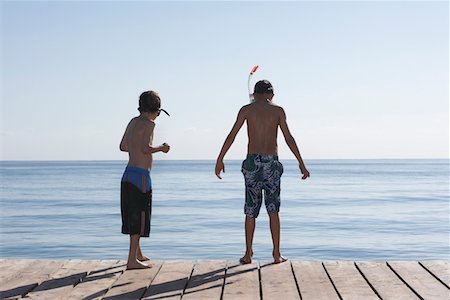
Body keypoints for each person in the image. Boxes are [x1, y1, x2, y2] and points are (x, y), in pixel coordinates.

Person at [215, 80, 310, 264]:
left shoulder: (246, 110)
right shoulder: (278, 111)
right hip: (271, 163)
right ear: (270, 94)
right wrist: (301, 163)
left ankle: (248, 254)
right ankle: (276, 254)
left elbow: (232, 135)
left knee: (250, 210)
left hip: (252, 163)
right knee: (273, 209)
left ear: (254, 94)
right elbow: (288, 138)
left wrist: (220, 159)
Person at [119, 90, 170, 269]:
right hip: (140, 176)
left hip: (127, 175)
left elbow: (123, 146)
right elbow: (145, 148)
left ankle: (138, 253)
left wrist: (136, 147)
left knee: (131, 214)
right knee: (139, 216)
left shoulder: (133, 122)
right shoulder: (149, 124)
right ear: (155, 110)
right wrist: (161, 148)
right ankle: (132, 260)